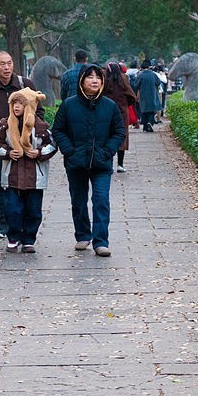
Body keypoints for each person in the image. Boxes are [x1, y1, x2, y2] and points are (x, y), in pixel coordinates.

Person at [52, 65, 125, 257]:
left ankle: (101, 241)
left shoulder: (109, 106)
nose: (94, 80)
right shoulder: (69, 105)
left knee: (101, 200)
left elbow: (119, 132)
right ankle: (83, 234)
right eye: (90, 77)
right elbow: (58, 130)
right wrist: (69, 151)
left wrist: (108, 151)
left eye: (98, 77)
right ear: (81, 81)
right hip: (76, 162)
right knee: (79, 200)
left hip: (101, 163)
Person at [0, 89, 57, 252]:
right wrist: (7, 152)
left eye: (21, 103)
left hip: (35, 177)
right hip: (12, 175)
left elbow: (52, 145)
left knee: (33, 209)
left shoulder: (40, 126)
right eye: (14, 103)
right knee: (12, 208)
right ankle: (13, 237)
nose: (17, 107)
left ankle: (29, 239)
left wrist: (39, 152)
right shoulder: (6, 126)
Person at [0, 51, 35, 240]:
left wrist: (29, 130)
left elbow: (39, 111)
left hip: (22, 145)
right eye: (2, 64)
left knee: (22, 185)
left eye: (10, 63)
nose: (6, 68)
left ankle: (20, 223)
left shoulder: (24, 85)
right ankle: (2, 224)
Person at [102, 62, 138, 172]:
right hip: (122, 113)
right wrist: (125, 103)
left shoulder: (104, 80)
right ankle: (120, 165)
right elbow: (132, 96)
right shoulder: (124, 79)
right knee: (121, 137)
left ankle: (109, 164)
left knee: (107, 136)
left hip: (106, 112)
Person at [131, 63, 163, 132]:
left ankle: (145, 127)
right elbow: (158, 82)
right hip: (153, 95)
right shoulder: (153, 74)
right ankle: (150, 122)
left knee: (144, 111)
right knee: (152, 110)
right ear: (148, 67)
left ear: (141, 68)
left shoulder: (140, 75)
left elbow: (136, 85)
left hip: (143, 95)